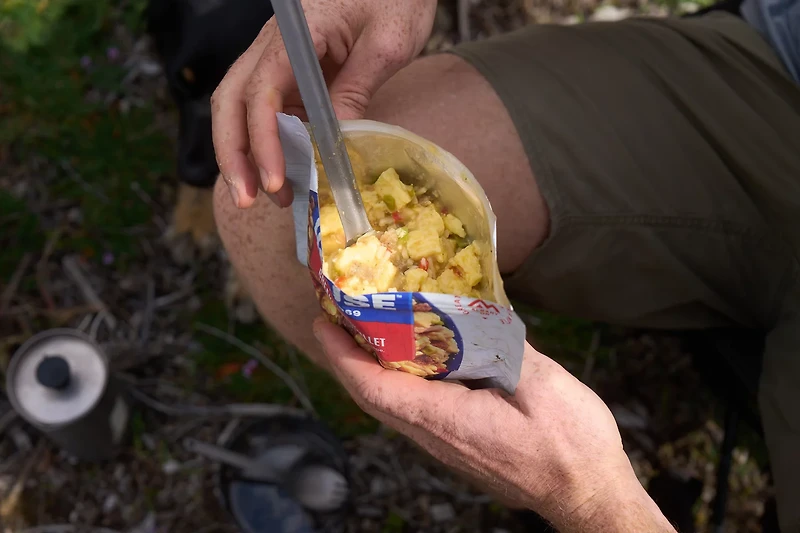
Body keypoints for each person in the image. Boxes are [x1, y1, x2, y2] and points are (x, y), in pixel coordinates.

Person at [209, 0, 800, 530]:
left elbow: (596, 502)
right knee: (263, 207)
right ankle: (496, 467)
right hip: (779, 73)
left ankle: (526, 479)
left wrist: (594, 503)